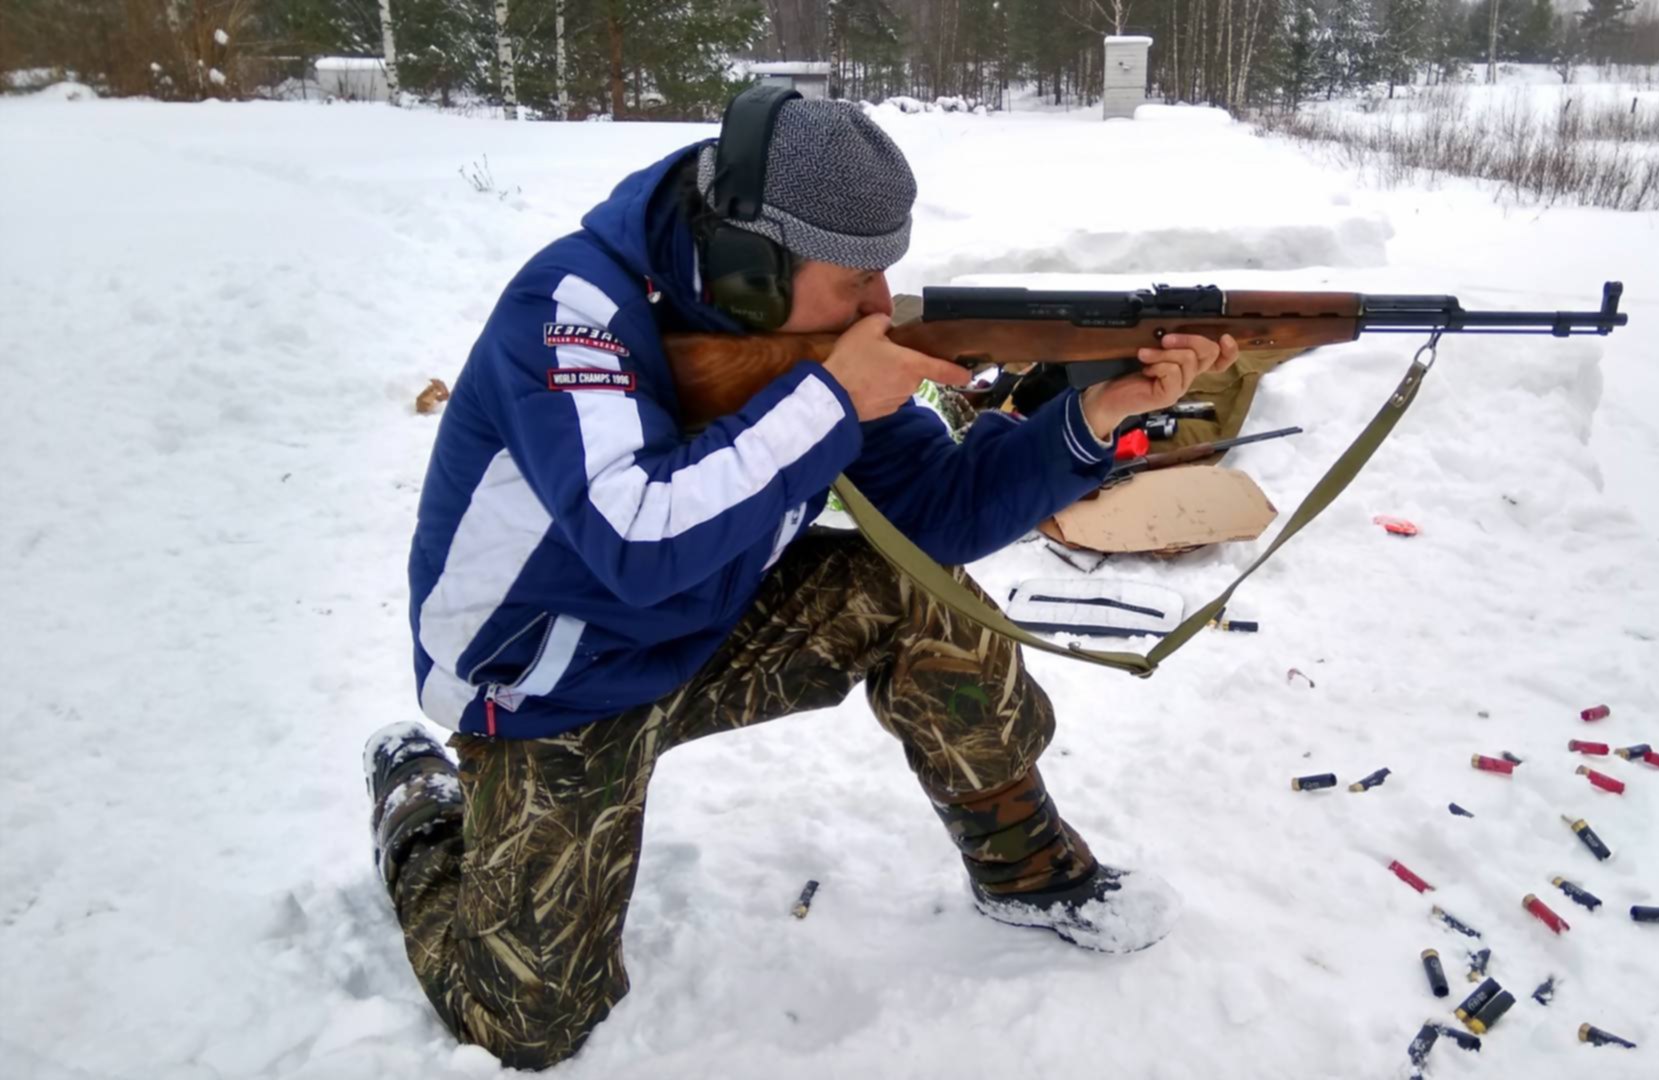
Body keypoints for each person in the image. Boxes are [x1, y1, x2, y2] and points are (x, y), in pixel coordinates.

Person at [364, 88, 1239, 1070]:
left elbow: (934, 511)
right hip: (548, 680)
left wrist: (1086, 423)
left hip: (702, 628)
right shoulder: (573, 312)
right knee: (529, 1025)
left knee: (912, 589)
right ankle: (422, 811)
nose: (879, 306)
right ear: (750, 264)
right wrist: (827, 401)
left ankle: (1023, 867)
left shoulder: (801, 335)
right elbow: (633, 538)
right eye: (859, 278)